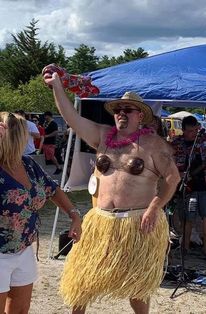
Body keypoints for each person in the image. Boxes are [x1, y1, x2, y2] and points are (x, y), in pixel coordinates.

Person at [43, 68, 180, 314]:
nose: (121, 114)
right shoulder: (102, 136)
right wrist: (57, 87)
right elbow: (72, 118)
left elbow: (172, 178)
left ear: (141, 115)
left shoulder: (154, 144)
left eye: (127, 110)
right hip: (100, 221)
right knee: (81, 280)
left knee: (137, 286)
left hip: (137, 223)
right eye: (117, 110)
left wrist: (153, 208)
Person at [0, 112, 82, 314]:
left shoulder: (28, 165)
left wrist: (74, 215)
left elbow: (53, 189)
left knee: (20, 310)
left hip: (24, 249)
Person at [171, 116, 206, 260]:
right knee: (187, 218)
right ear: (183, 130)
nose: (194, 133)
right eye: (190, 131)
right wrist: (179, 173)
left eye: (196, 129)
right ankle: (185, 247)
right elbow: (168, 164)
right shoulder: (177, 144)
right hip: (187, 188)